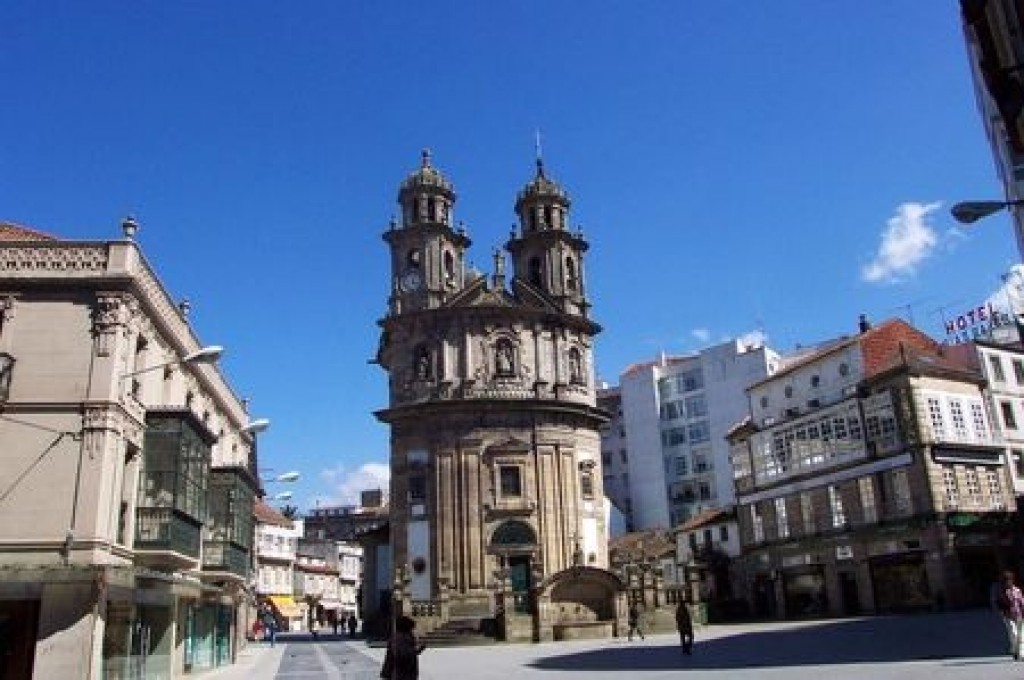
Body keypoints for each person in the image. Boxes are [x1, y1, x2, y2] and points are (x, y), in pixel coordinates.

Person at [380, 615, 426, 680]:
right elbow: (402, 654)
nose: (413, 630)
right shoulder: (400, 638)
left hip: (404, 672)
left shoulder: (402, 636)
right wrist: (417, 649)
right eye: (412, 628)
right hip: (402, 673)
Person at [994, 571, 1024, 660]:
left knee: (1021, 635)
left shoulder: (1017, 590)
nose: (1008, 582)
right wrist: (1002, 611)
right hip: (1008, 616)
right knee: (1013, 634)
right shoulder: (1000, 592)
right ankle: (1014, 650)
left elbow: (1022, 602)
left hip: (1019, 615)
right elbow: (998, 603)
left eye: (1009, 580)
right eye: (1006, 581)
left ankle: (1021, 653)